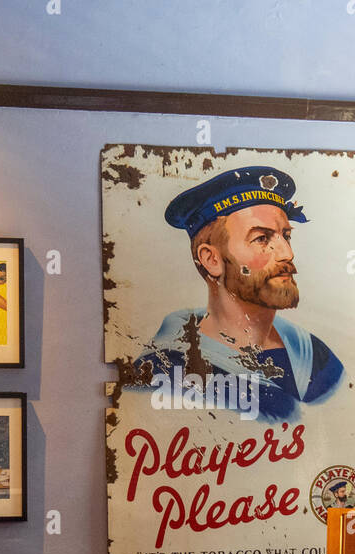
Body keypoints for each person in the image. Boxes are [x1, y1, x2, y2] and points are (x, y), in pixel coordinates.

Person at [133, 166, 344, 420]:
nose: (288, 253)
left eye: (286, 236)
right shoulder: (167, 371)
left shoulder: (316, 358)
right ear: (211, 260)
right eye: (262, 239)